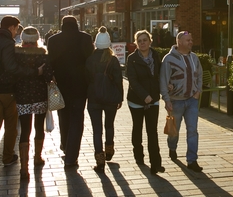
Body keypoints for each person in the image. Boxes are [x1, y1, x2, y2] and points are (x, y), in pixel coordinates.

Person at [0, 16, 43, 177]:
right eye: (16, 29)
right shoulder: (8, 44)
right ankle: (8, 157)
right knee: (10, 127)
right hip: (7, 90)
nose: (16, 32)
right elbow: (11, 67)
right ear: (11, 28)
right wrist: (34, 72)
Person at [47, 15, 93, 167]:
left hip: (61, 85)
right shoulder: (85, 38)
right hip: (80, 86)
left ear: (62, 24)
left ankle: (65, 146)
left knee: (63, 117)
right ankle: (71, 157)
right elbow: (90, 61)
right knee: (77, 120)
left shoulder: (53, 40)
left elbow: (49, 62)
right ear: (76, 24)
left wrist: (52, 77)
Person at [160, 30, 204, 173]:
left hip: (192, 101)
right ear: (179, 42)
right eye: (188, 40)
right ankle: (172, 147)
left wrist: (198, 91)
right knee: (174, 132)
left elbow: (200, 75)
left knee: (192, 131)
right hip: (176, 102)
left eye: (191, 40)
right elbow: (163, 80)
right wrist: (167, 99)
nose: (191, 42)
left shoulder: (194, 58)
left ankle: (192, 160)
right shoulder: (168, 59)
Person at [14, 27, 52, 180]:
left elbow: (13, 72)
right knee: (39, 127)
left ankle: (24, 167)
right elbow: (48, 76)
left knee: (25, 129)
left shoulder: (16, 54)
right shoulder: (43, 54)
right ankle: (37, 157)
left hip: (22, 95)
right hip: (39, 95)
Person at [126, 29, 164, 175]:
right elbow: (132, 80)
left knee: (152, 131)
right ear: (136, 43)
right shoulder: (132, 58)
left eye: (145, 40)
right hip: (136, 101)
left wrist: (165, 86)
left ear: (150, 41)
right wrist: (144, 96)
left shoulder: (156, 56)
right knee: (138, 128)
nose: (142, 43)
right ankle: (138, 155)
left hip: (153, 99)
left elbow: (160, 75)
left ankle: (156, 163)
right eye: (139, 41)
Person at [86, 27, 123, 173]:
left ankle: (99, 161)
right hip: (111, 98)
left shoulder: (90, 59)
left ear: (96, 43)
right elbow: (118, 80)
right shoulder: (113, 60)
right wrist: (119, 98)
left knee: (97, 130)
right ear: (108, 43)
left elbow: (86, 80)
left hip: (94, 98)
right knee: (109, 125)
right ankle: (109, 150)